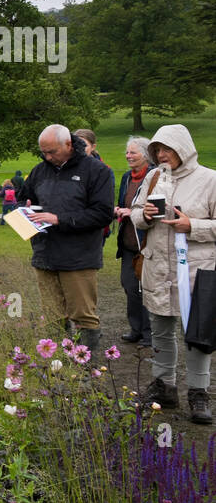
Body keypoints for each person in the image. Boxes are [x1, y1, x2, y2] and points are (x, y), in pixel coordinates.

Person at [129, 125, 216, 423]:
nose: (161, 155)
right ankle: (164, 386)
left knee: (197, 335)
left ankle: (199, 392)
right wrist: (145, 215)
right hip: (158, 267)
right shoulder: (154, 177)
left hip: (196, 271)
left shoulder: (210, 179)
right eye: (157, 151)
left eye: (166, 149)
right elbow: (136, 213)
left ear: (183, 148)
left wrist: (193, 225)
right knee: (161, 328)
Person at [16, 124, 116, 353]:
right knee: (51, 315)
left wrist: (60, 219)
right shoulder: (40, 171)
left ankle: (85, 370)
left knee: (82, 316)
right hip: (45, 254)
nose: (48, 157)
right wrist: (26, 209)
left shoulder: (96, 171)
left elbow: (102, 214)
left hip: (78, 257)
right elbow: (23, 200)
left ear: (69, 144)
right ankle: (57, 368)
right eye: (44, 152)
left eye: (52, 152)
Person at [114, 136, 154, 347]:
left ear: (146, 155)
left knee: (145, 287)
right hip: (128, 242)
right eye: (127, 152)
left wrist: (134, 212)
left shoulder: (155, 177)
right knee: (129, 285)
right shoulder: (127, 178)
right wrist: (119, 210)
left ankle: (150, 334)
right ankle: (136, 329)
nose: (128, 156)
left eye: (133, 152)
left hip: (146, 243)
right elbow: (123, 202)